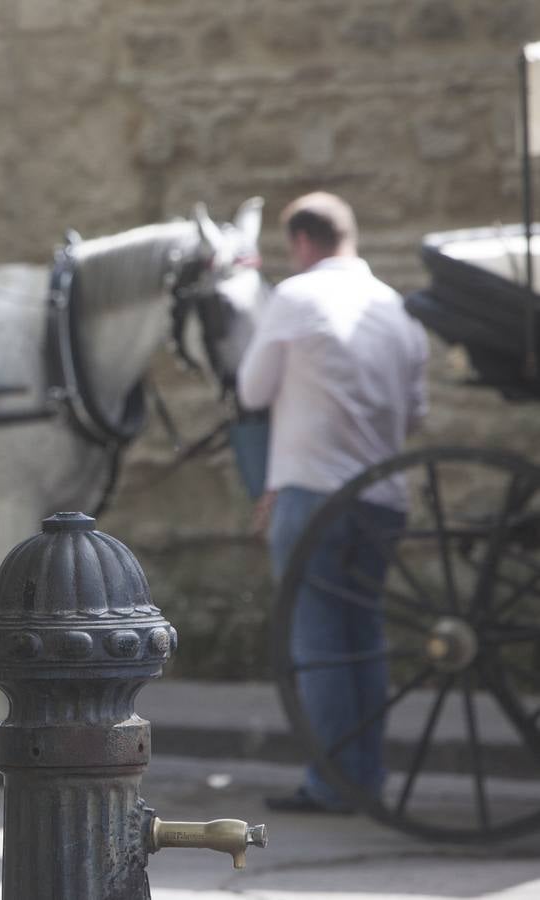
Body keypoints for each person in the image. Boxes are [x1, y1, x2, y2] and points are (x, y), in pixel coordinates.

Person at [237, 191, 429, 814]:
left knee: (316, 642)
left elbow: (251, 388)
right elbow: (417, 414)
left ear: (299, 243)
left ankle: (331, 783)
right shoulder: (397, 309)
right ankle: (364, 778)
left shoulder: (296, 296)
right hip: (382, 497)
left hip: (313, 493)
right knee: (364, 636)